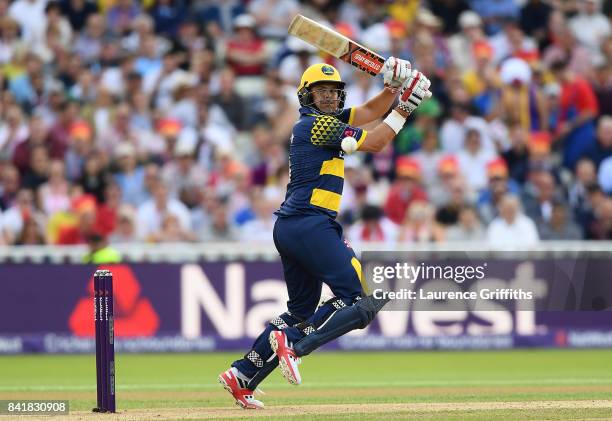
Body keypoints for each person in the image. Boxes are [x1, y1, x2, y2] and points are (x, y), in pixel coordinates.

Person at [219, 60, 431, 408]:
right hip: (310, 223)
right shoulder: (315, 126)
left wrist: (393, 89)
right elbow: (377, 142)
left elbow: (367, 111)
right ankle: (293, 345)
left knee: (300, 312)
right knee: (357, 301)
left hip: (292, 226)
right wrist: (406, 107)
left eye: (334, 92)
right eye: (322, 92)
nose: (331, 98)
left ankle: (244, 373)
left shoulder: (324, 123)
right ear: (307, 96)